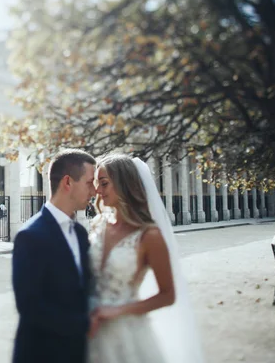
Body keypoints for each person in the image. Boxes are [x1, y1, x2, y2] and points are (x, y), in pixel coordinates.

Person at [87, 153, 204, 363]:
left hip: (127, 332)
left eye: (103, 183)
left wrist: (117, 311)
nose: (97, 190)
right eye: (97, 183)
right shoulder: (98, 226)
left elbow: (168, 295)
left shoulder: (150, 236)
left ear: (124, 184)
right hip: (89, 329)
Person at [12, 149, 97, 363]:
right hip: (41, 353)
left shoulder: (79, 233)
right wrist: (83, 325)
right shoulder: (30, 236)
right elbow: (29, 306)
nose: (94, 191)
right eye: (89, 182)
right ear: (67, 182)